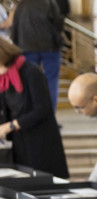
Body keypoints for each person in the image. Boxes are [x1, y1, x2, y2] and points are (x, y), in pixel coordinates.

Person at [0, 38, 68, 177]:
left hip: (41, 142)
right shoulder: (4, 79)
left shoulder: (31, 72)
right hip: (20, 144)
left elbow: (42, 109)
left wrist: (10, 126)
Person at [10, 0, 64, 113]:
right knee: (51, 81)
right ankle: (49, 116)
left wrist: (17, 47)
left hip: (26, 49)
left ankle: (32, 113)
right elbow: (58, 23)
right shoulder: (49, 2)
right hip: (50, 48)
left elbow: (14, 29)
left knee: (29, 82)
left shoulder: (21, 5)